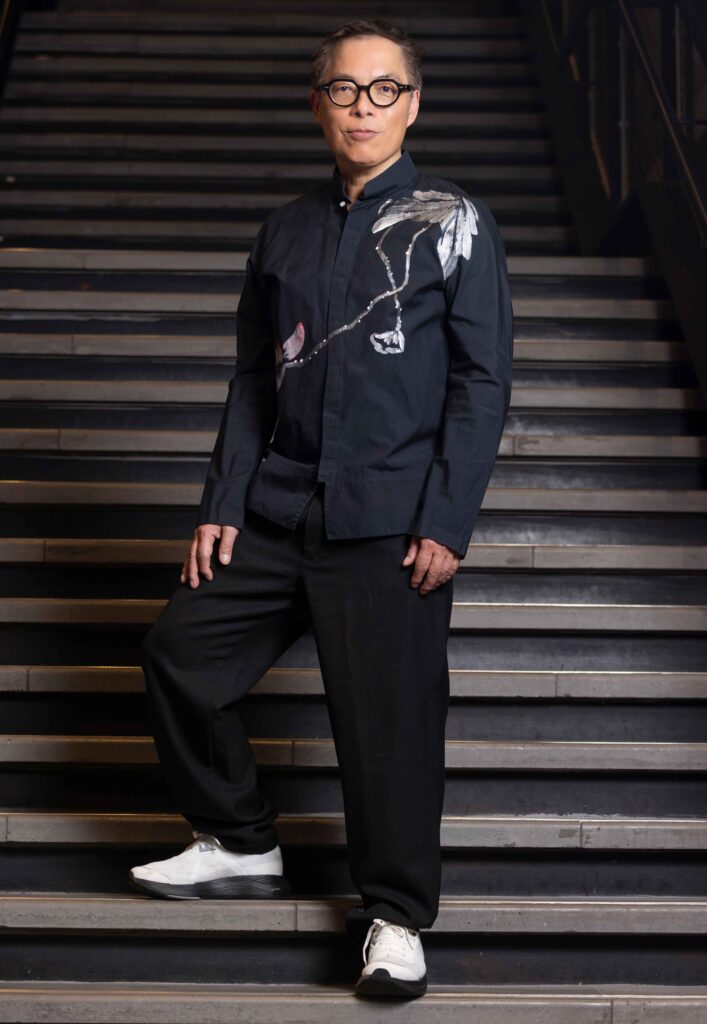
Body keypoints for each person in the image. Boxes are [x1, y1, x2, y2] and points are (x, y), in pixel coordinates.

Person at [131, 17, 513, 1000]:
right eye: (344, 89)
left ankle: (396, 919)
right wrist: (222, 500)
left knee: (389, 728)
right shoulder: (284, 231)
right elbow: (253, 380)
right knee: (180, 653)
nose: (362, 107)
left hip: (390, 522)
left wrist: (446, 519)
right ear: (317, 105)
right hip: (279, 507)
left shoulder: (454, 221)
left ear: (411, 104)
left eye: (383, 89)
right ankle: (239, 839)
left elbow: (480, 382)